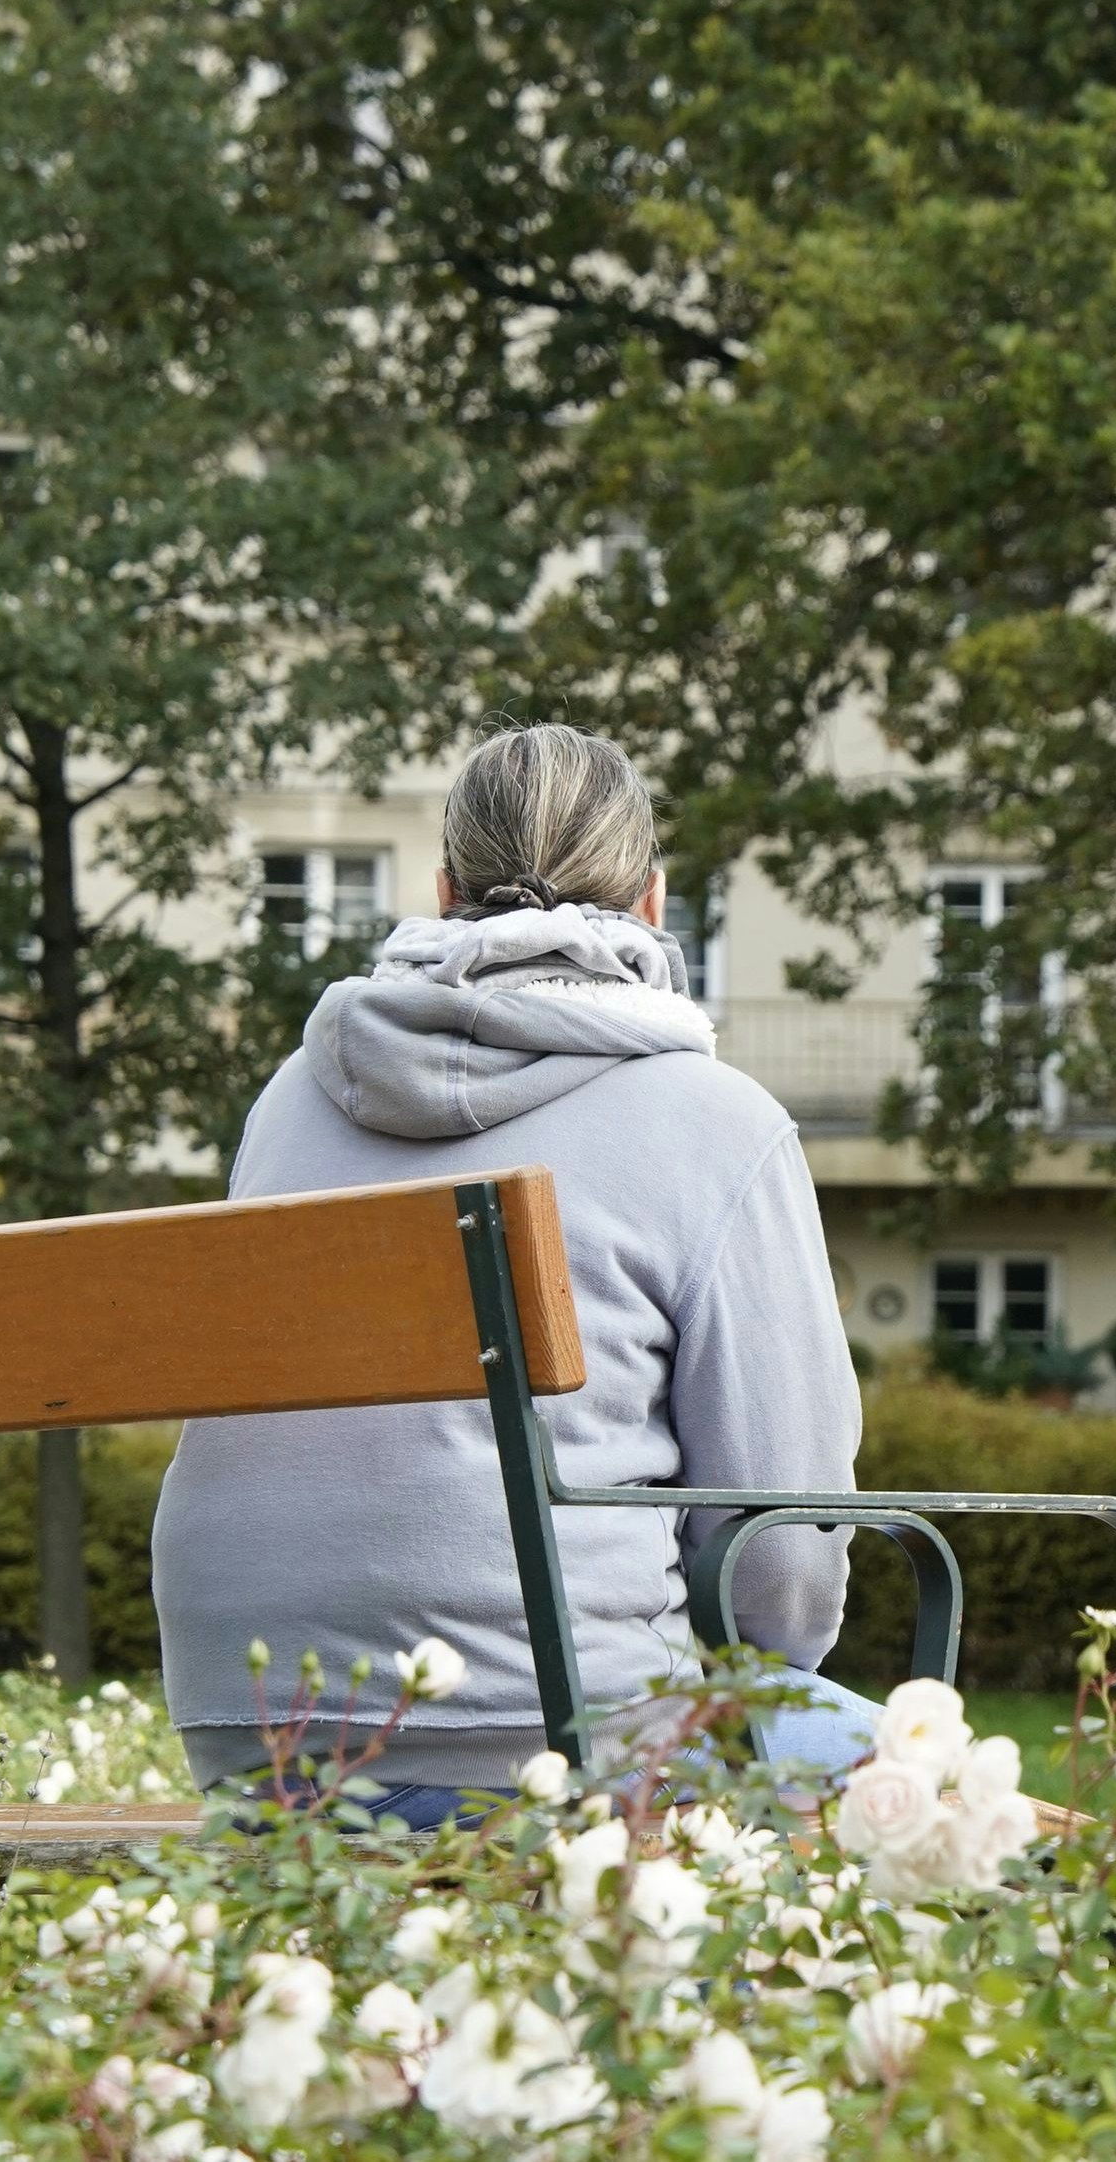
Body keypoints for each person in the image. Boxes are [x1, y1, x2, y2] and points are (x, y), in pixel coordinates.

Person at [153, 722, 879, 1825]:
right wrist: (770, 1663)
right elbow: (781, 1554)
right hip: (562, 1747)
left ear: (445, 891)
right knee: (960, 1801)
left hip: (255, 1745)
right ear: (653, 902)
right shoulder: (718, 1121)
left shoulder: (293, 1096)